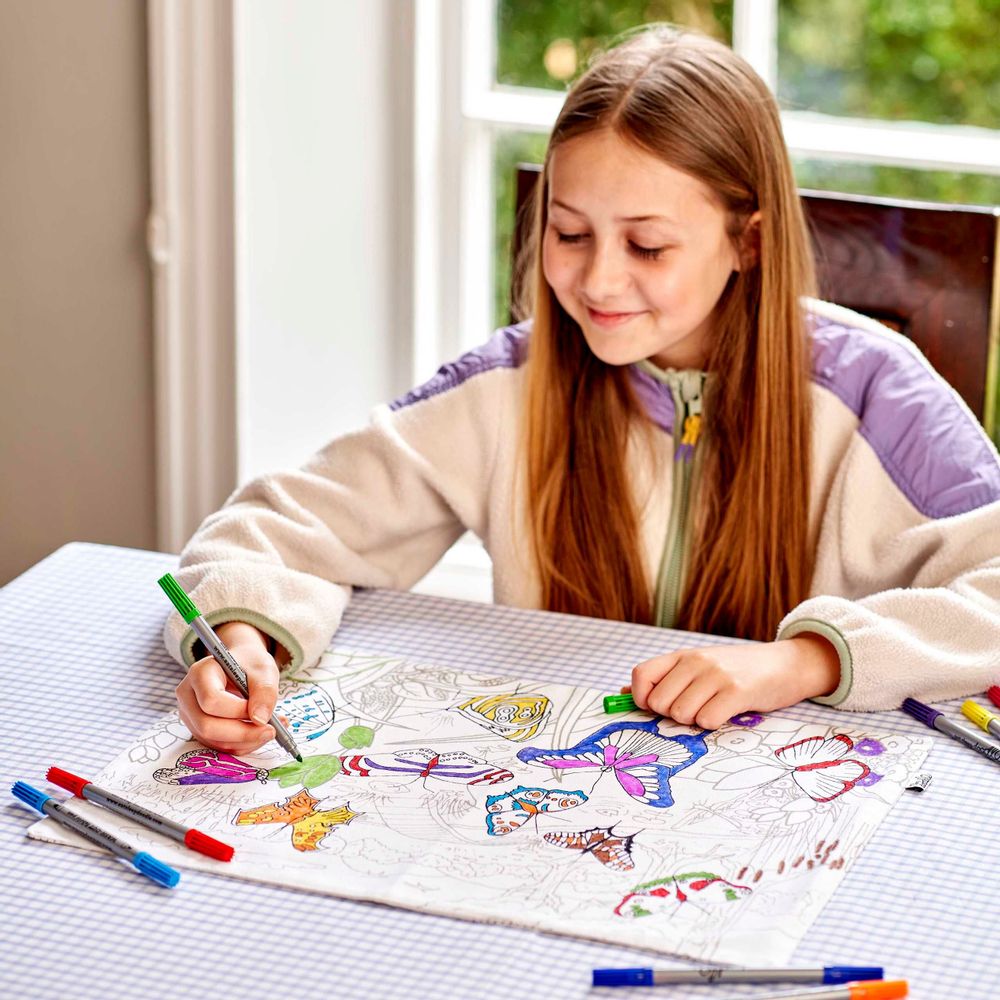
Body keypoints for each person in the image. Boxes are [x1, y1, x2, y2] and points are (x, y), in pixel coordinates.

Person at [164, 25, 1000, 756]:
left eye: (647, 245)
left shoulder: (878, 396)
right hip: (563, 794)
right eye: (569, 232)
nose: (599, 279)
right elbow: (273, 530)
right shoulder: (505, 391)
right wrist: (241, 636)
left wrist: (808, 659)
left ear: (749, 241)